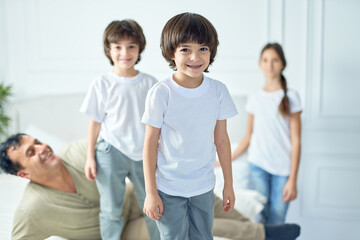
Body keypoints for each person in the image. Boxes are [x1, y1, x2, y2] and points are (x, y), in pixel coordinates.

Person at [0, 134, 301, 240]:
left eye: (36, 142)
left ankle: (253, 229)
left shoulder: (80, 151)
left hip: (135, 201)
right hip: (122, 233)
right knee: (181, 222)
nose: (41, 148)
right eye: (30, 152)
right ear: (24, 174)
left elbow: (128, 153)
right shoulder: (32, 211)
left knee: (196, 195)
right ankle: (262, 234)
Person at [141, 12, 237, 240]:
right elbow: (150, 143)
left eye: (203, 48)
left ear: (211, 52)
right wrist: (151, 192)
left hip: (203, 186)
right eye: (185, 49)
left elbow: (222, 141)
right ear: (171, 52)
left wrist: (229, 185)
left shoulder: (218, 91)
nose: (195, 56)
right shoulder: (161, 93)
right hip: (168, 187)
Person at [79, 20, 159, 239]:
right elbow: (95, 122)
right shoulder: (101, 83)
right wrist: (90, 157)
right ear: (109, 50)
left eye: (131, 46)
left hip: (143, 152)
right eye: (118, 47)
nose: (125, 53)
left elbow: (158, 125)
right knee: (112, 209)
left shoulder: (151, 84)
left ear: (139, 48)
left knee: (153, 205)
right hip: (110, 151)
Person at [231, 42, 302, 224]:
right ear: (260, 64)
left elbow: (296, 140)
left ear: (282, 64)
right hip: (258, 166)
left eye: (275, 60)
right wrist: (225, 160)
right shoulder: (255, 97)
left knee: (277, 219)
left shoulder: (291, 97)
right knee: (260, 218)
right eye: (265, 60)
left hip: (283, 170)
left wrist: (293, 179)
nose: (270, 65)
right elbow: (248, 136)